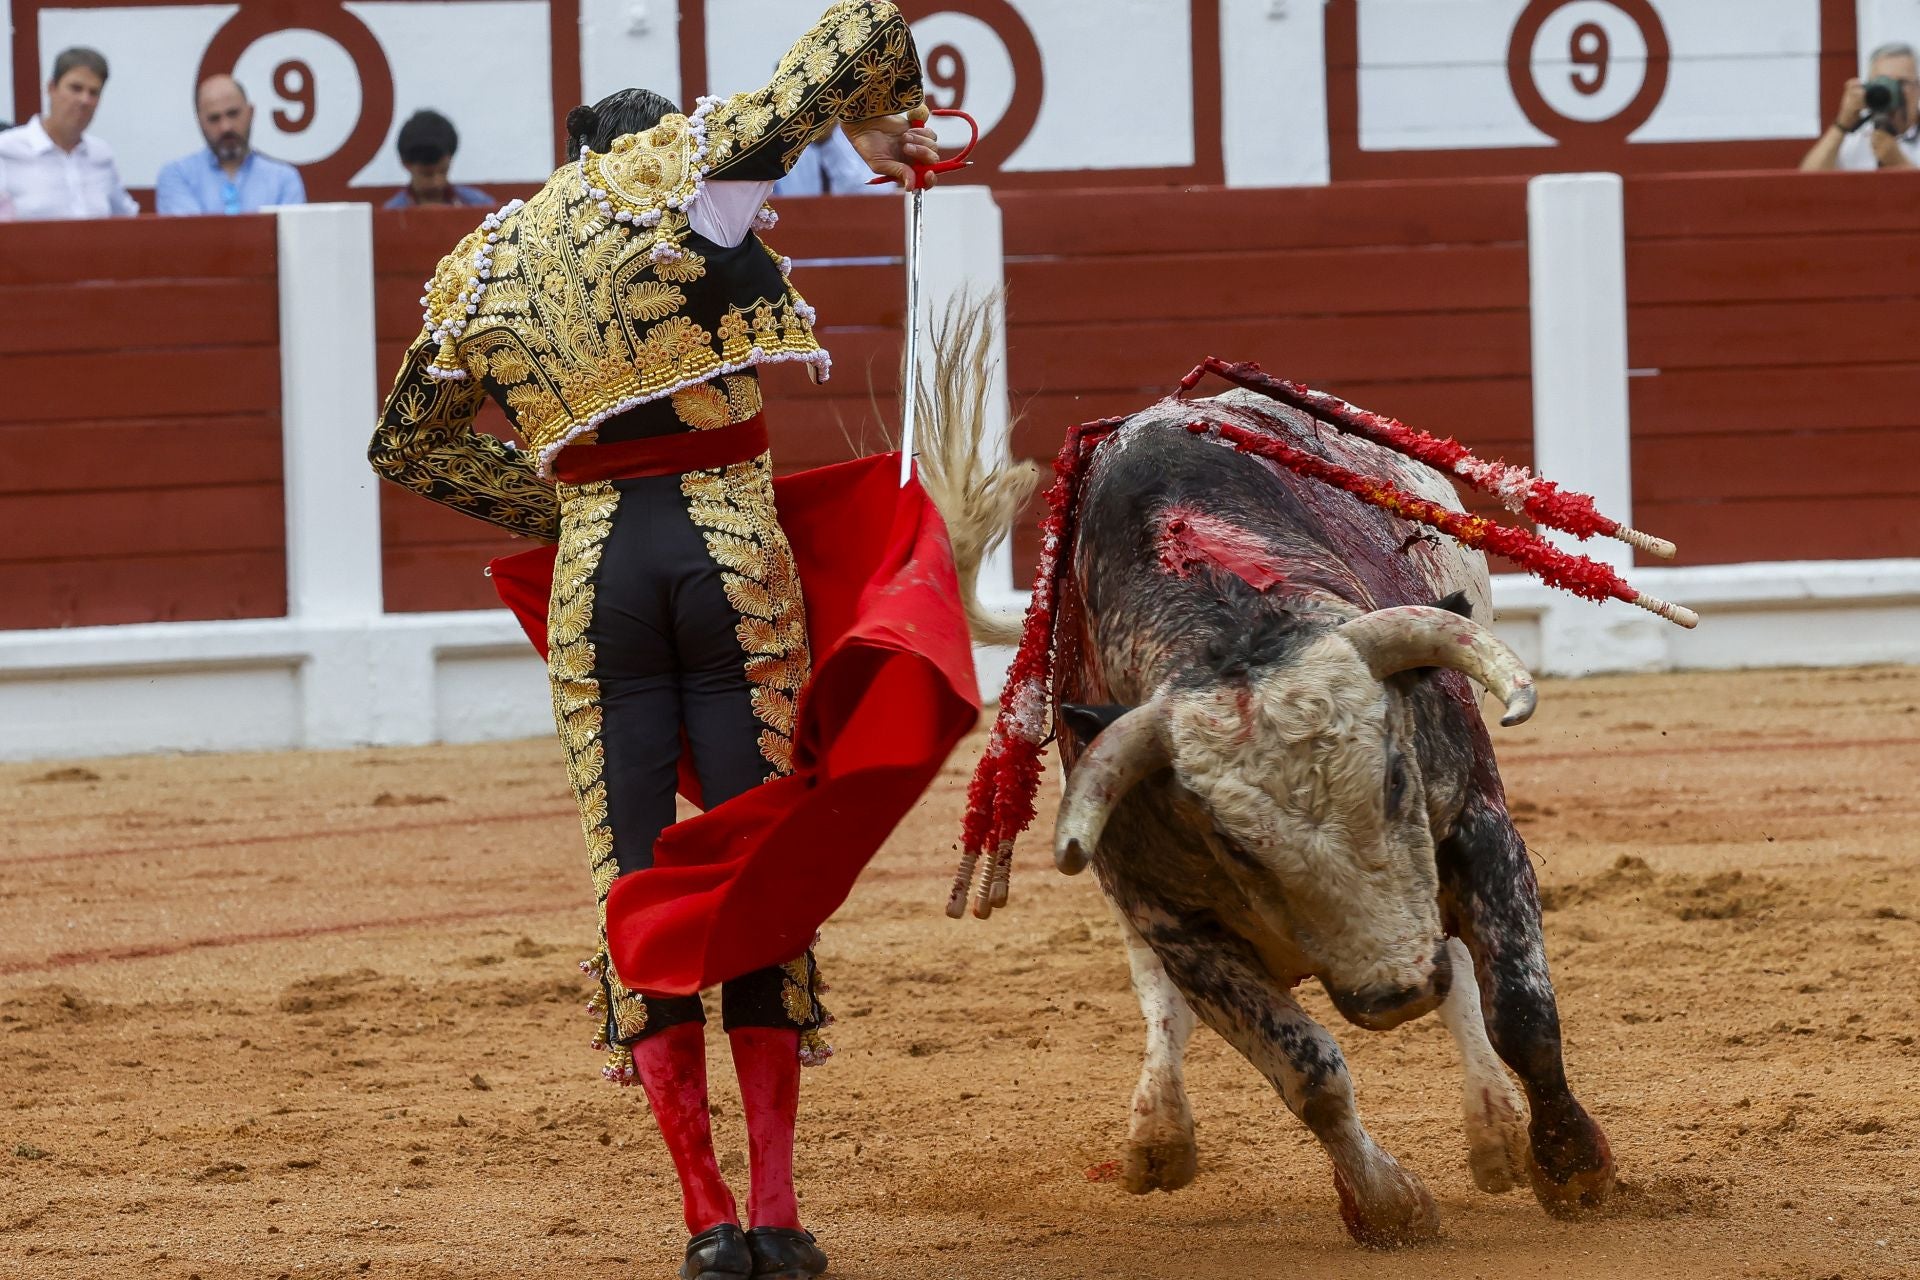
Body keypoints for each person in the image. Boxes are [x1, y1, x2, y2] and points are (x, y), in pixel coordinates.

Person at [368, 5, 947, 1278]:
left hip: (599, 579)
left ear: (566, 152)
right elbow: (856, 24)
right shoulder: (690, 180)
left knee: (636, 879)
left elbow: (404, 441)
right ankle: (782, 1215)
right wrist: (883, 123)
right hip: (724, 550)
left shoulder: (486, 259)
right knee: (753, 861)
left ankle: (705, 1221)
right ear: (654, 143)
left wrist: (572, 500)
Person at [0, 47, 137, 221]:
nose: (84, 100)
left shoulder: (101, 155)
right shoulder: (5, 151)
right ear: (51, 88)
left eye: (93, 92)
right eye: (75, 88)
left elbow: (128, 220)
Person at [154, 75, 306, 215]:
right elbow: (190, 239)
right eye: (214, 118)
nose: (226, 127)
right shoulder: (177, 175)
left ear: (250, 113)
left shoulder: (283, 179)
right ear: (201, 123)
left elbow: (291, 241)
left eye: (233, 114)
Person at [1800, 41, 1920, 171]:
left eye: (1901, 83)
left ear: (1918, 87)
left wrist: (1900, 163)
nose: (1891, 91)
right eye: (1882, 83)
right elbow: (1808, 181)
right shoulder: (1856, 138)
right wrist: (1841, 125)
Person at [383, 109, 493, 208]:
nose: (437, 182)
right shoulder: (391, 213)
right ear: (405, 164)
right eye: (427, 174)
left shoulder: (480, 205)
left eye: (443, 171)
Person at [773, 124, 891, 197]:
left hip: (857, 231)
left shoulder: (867, 131)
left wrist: (827, 143)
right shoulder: (781, 140)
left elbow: (878, 197)